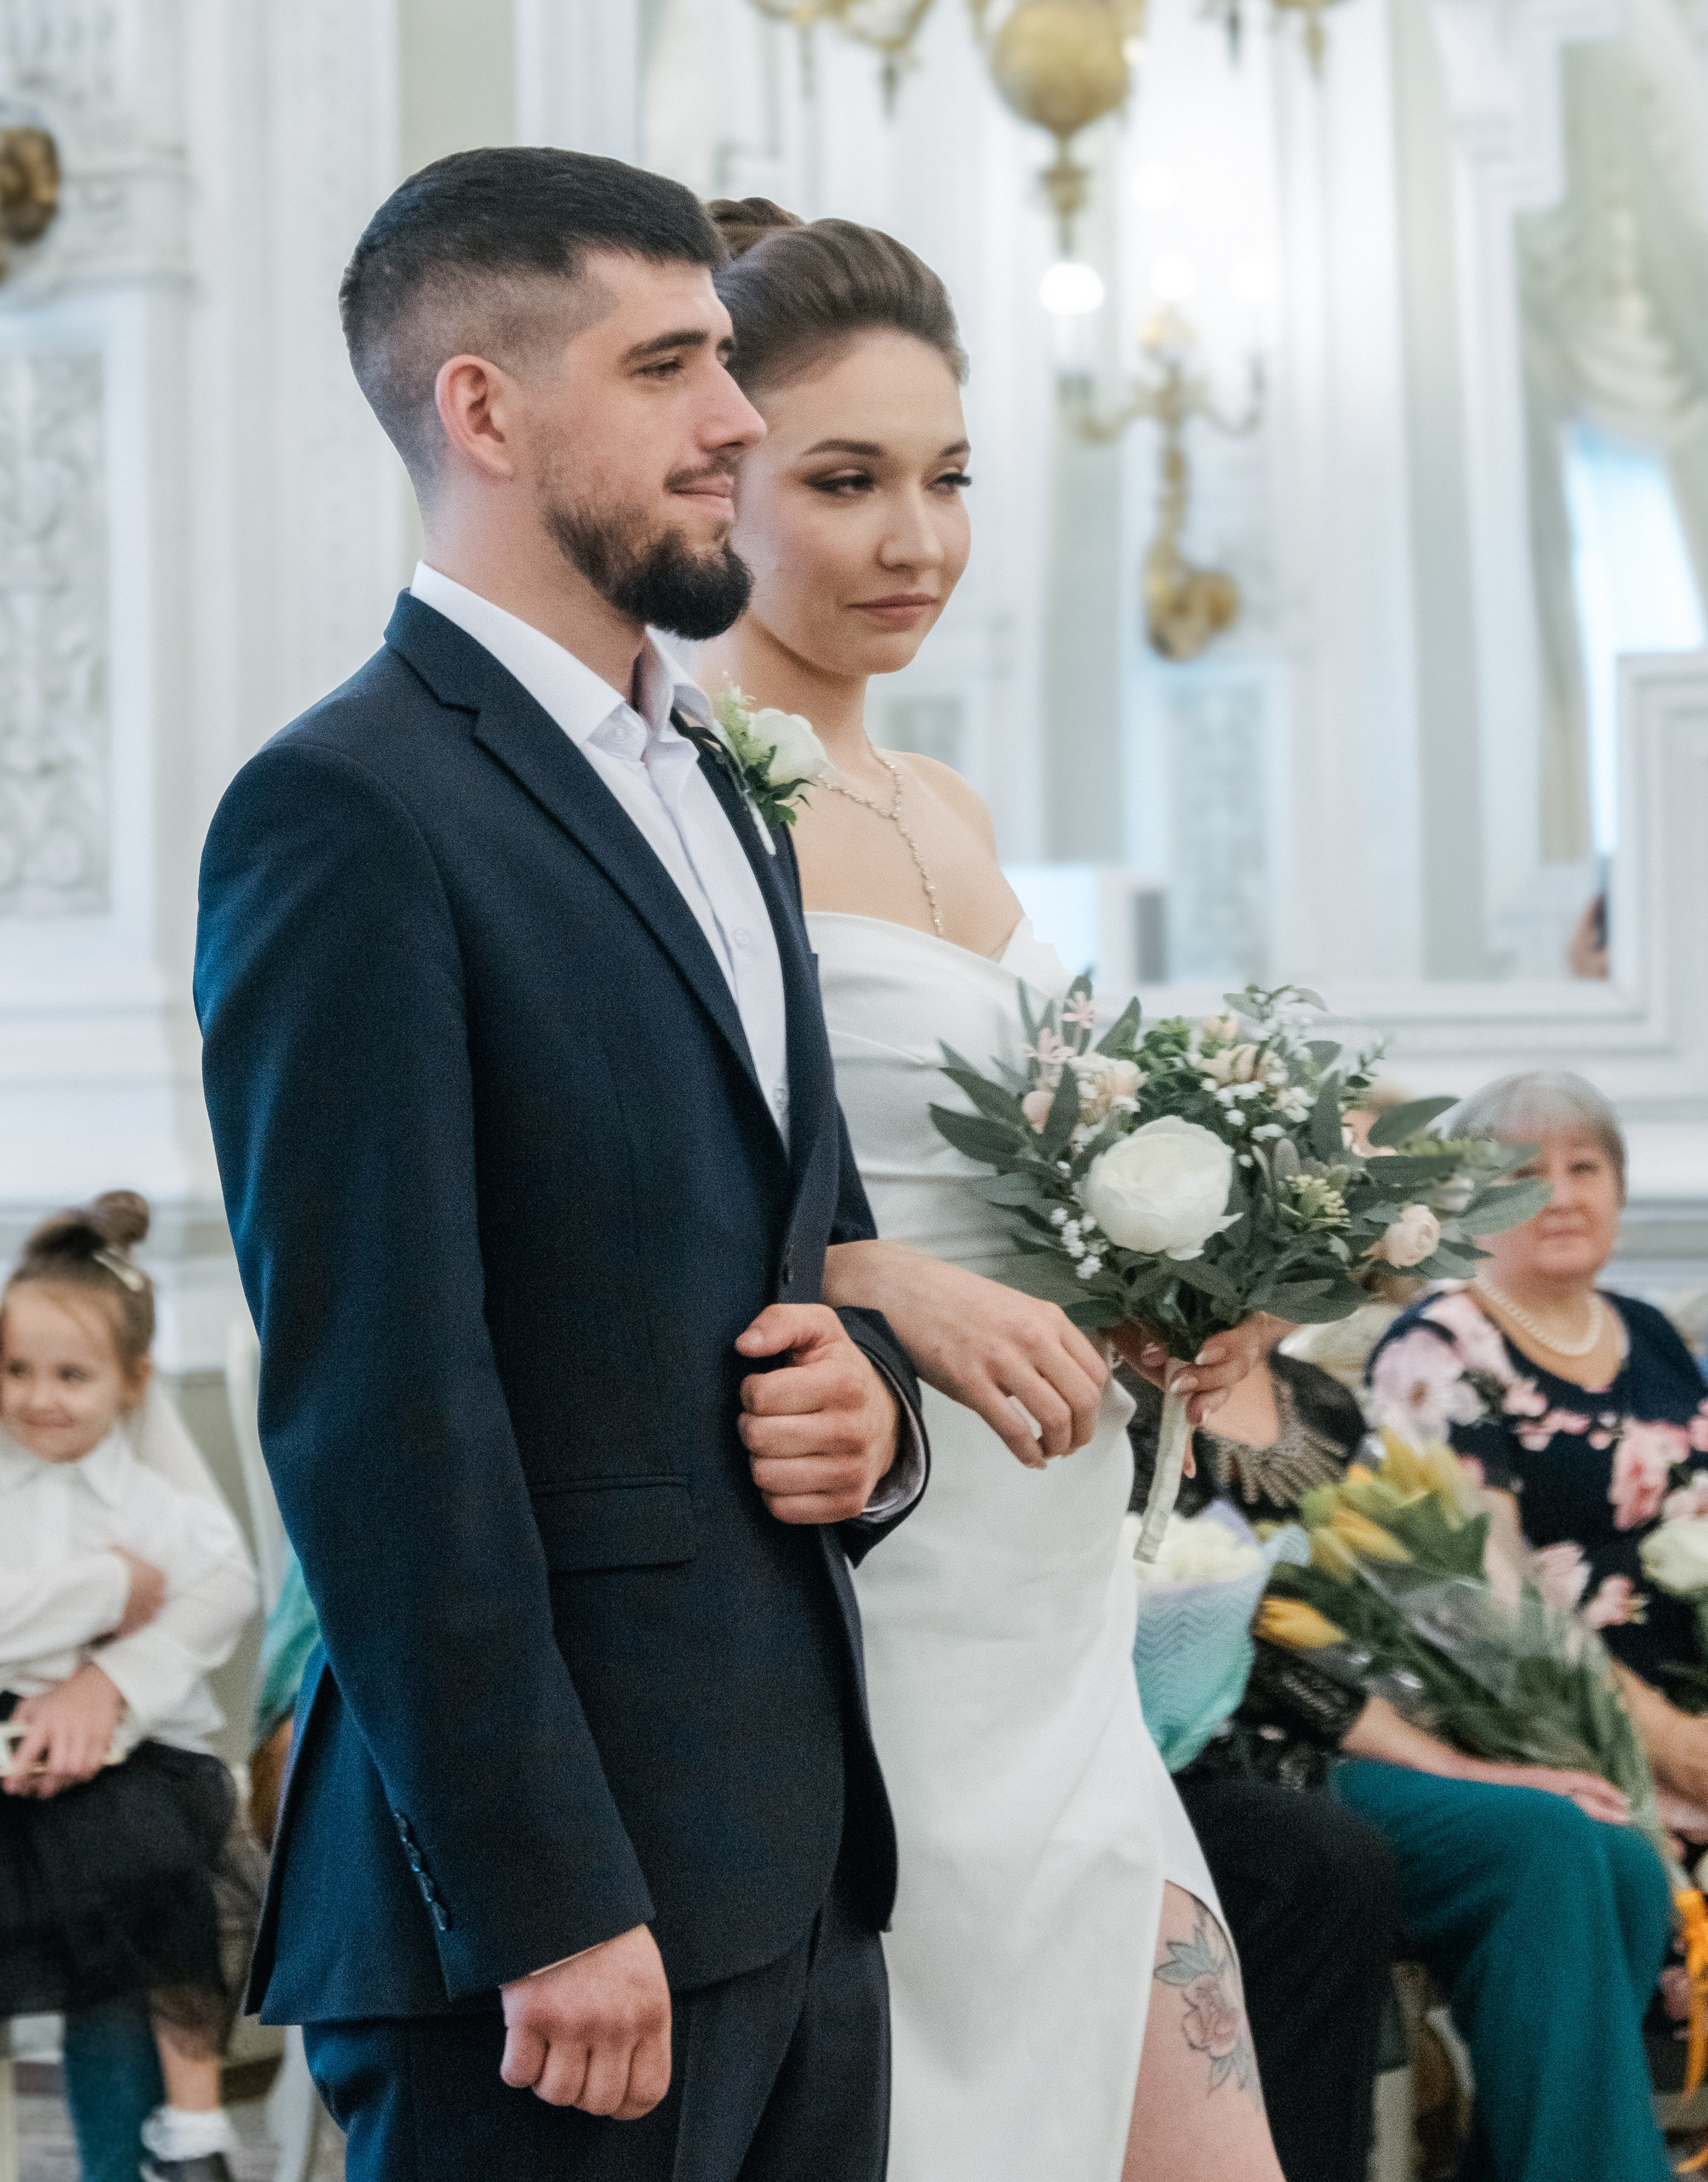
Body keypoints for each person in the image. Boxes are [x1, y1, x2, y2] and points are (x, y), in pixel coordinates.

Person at [195, 148, 928, 2182]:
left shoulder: (714, 782)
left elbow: (807, 1247)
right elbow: (372, 1411)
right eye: (671, 362)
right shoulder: (343, 810)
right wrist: (542, 1894)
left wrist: (866, 1421)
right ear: (487, 410)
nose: (736, 421)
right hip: (547, 1926)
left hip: (791, 1863)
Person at [702, 198, 1286, 2182]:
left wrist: (1194, 1292)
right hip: (889, 1605)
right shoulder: (694, 789)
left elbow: (1032, 1169)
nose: (916, 541)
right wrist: (881, 1276)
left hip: (1060, 1597)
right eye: (845, 481)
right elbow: (672, 1196)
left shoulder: (943, 800)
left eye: (947, 479)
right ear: (721, 468)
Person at [1132, 1346, 1675, 2182]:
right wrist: (1451, 1762)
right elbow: (1239, 1635)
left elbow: (1409, 1597)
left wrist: (1504, 1720)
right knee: (1545, 1844)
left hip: (1396, 1730)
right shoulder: (1137, 1399)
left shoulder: (1316, 1396)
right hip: (1241, 1752)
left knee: (1620, 1857)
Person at [0, 1194, 259, 2182]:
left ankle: (155, 2151)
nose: (33, 1395)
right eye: (18, 1375)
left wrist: (109, 1680)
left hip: (107, 1761)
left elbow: (223, 1582)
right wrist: (107, 1591)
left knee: (134, 1883)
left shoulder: (133, 1477)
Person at [1367, 1073, 1708, 1816]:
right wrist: (1674, 1741)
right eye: (1523, 1175)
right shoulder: (1439, 1350)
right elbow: (1483, 1596)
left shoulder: (1647, 1330)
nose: (1559, 1196)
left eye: (1583, 1167)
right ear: (1466, 1202)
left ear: (1618, 1188)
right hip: (1566, 1733)